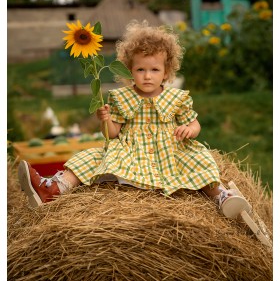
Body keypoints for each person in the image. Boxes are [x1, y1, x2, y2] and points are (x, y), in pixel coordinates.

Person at [18, 21, 247, 218]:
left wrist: (190, 130)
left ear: (166, 72)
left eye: (155, 70)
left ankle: (221, 197)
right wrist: (105, 119)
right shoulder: (121, 97)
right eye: (140, 70)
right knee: (90, 156)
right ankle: (54, 189)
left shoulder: (177, 98)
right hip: (131, 151)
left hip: (170, 152)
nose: (147, 76)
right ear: (129, 70)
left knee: (199, 159)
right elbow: (113, 133)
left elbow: (194, 122)